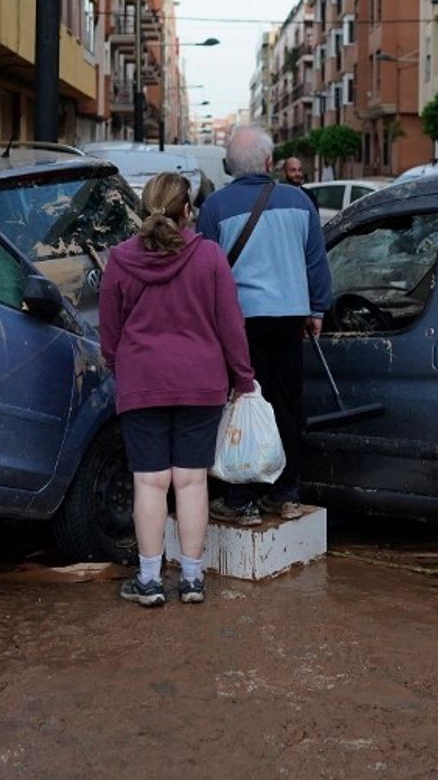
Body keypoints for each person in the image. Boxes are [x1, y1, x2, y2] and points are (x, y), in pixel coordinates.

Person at [98, 172, 257, 607]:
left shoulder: (119, 260)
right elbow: (231, 325)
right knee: (190, 482)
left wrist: (121, 364)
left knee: (149, 482)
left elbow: (108, 332)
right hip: (200, 382)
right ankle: (191, 580)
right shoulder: (208, 257)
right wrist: (243, 378)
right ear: (188, 211)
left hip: (142, 380)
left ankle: (149, 582)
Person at [197, 125, 332, 524]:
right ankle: (286, 493)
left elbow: (205, 270)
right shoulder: (299, 201)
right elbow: (316, 262)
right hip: (290, 317)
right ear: (270, 163)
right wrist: (317, 310)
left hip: (238, 323)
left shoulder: (215, 207)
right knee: (287, 405)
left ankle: (240, 499)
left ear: (229, 167)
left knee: (242, 403)